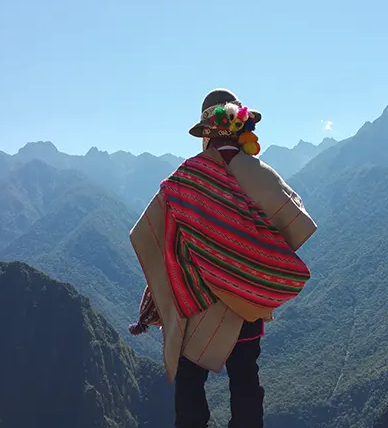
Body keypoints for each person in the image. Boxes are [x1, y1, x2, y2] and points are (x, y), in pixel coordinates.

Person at [128, 88, 317, 428]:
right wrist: (253, 259)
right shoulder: (261, 174)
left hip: (196, 302)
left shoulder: (184, 179)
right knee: (245, 379)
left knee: (190, 381)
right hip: (247, 302)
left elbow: (152, 234)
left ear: (207, 133)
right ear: (240, 128)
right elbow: (296, 222)